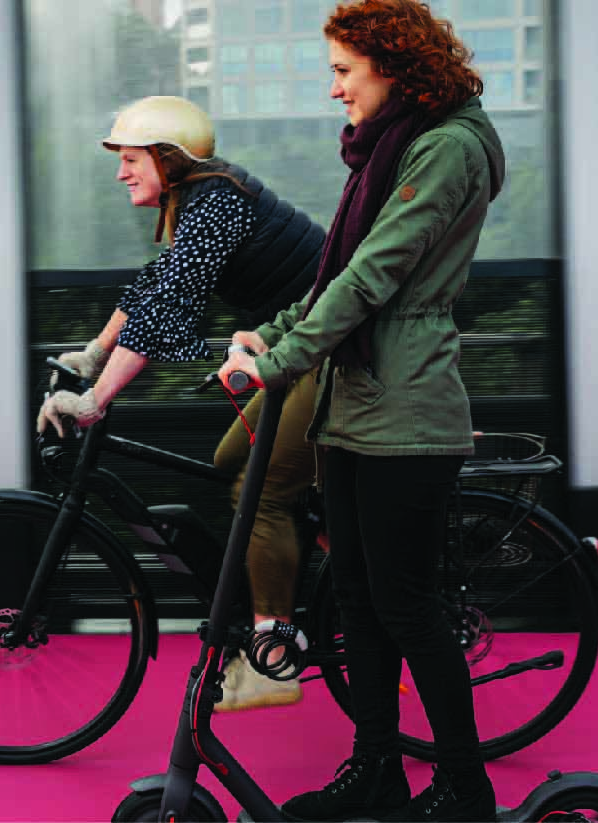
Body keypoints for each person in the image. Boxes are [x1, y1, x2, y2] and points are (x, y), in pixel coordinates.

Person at [216, 1, 507, 820]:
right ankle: (377, 767)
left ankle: (463, 787)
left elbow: (373, 273)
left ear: (394, 64)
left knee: (407, 603)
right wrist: (269, 333)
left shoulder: (446, 147)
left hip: (406, 410)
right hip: (354, 406)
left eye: (344, 70)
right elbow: (328, 275)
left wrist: (278, 362)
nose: (335, 89)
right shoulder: (393, 145)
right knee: (356, 599)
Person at [35, 95, 327, 712]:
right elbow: (154, 284)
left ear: (169, 158)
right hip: (296, 351)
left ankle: (275, 657)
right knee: (228, 463)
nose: (121, 172)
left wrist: (95, 400)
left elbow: (167, 308)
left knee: (264, 488)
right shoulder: (195, 202)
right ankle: (322, 571)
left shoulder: (217, 202)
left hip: (335, 355)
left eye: (132, 158)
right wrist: (93, 353)